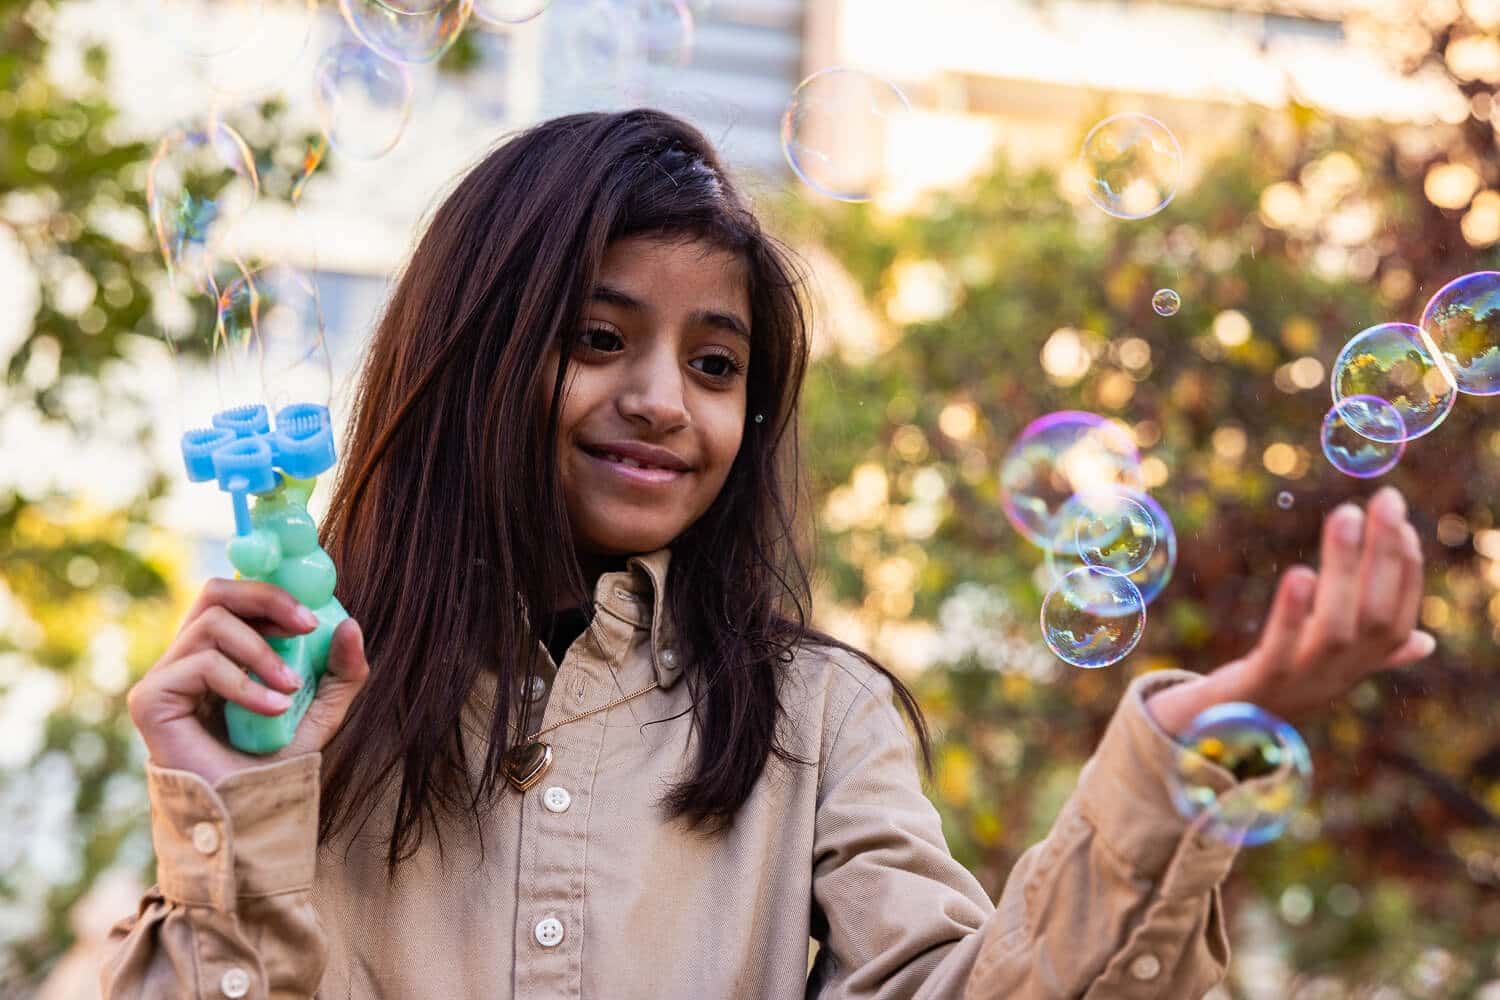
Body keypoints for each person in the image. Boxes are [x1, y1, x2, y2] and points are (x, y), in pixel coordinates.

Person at [101, 109, 1433, 999]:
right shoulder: (297, 699)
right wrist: (231, 821)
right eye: (597, 339)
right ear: (473, 353)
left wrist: (1177, 764)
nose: (668, 403)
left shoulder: (816, 720)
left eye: (718, 363)